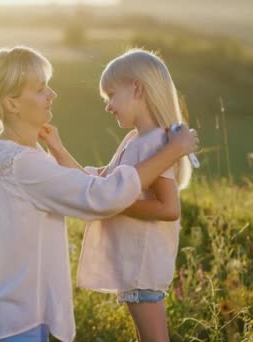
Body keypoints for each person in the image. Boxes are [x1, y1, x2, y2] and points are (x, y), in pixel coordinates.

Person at [0, 46, 198, 342]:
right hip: (16, 319)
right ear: (12, 104)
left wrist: (58, 150)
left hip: (7, 313)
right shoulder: (23, 163)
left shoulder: (3, 152)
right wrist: (174, 150)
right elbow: (101, 196)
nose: (52, 95)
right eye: (40, 88)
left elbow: (83, 185)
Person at [74, 48, 193, 342]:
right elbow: (104, 178)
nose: (108, 106)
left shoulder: (155, 143)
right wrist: (57, 151)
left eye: (111, 95)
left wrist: (116, 202)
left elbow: (168, 208)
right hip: (132, 265)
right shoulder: (134, 140)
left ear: (137, 88)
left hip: (142, 265)